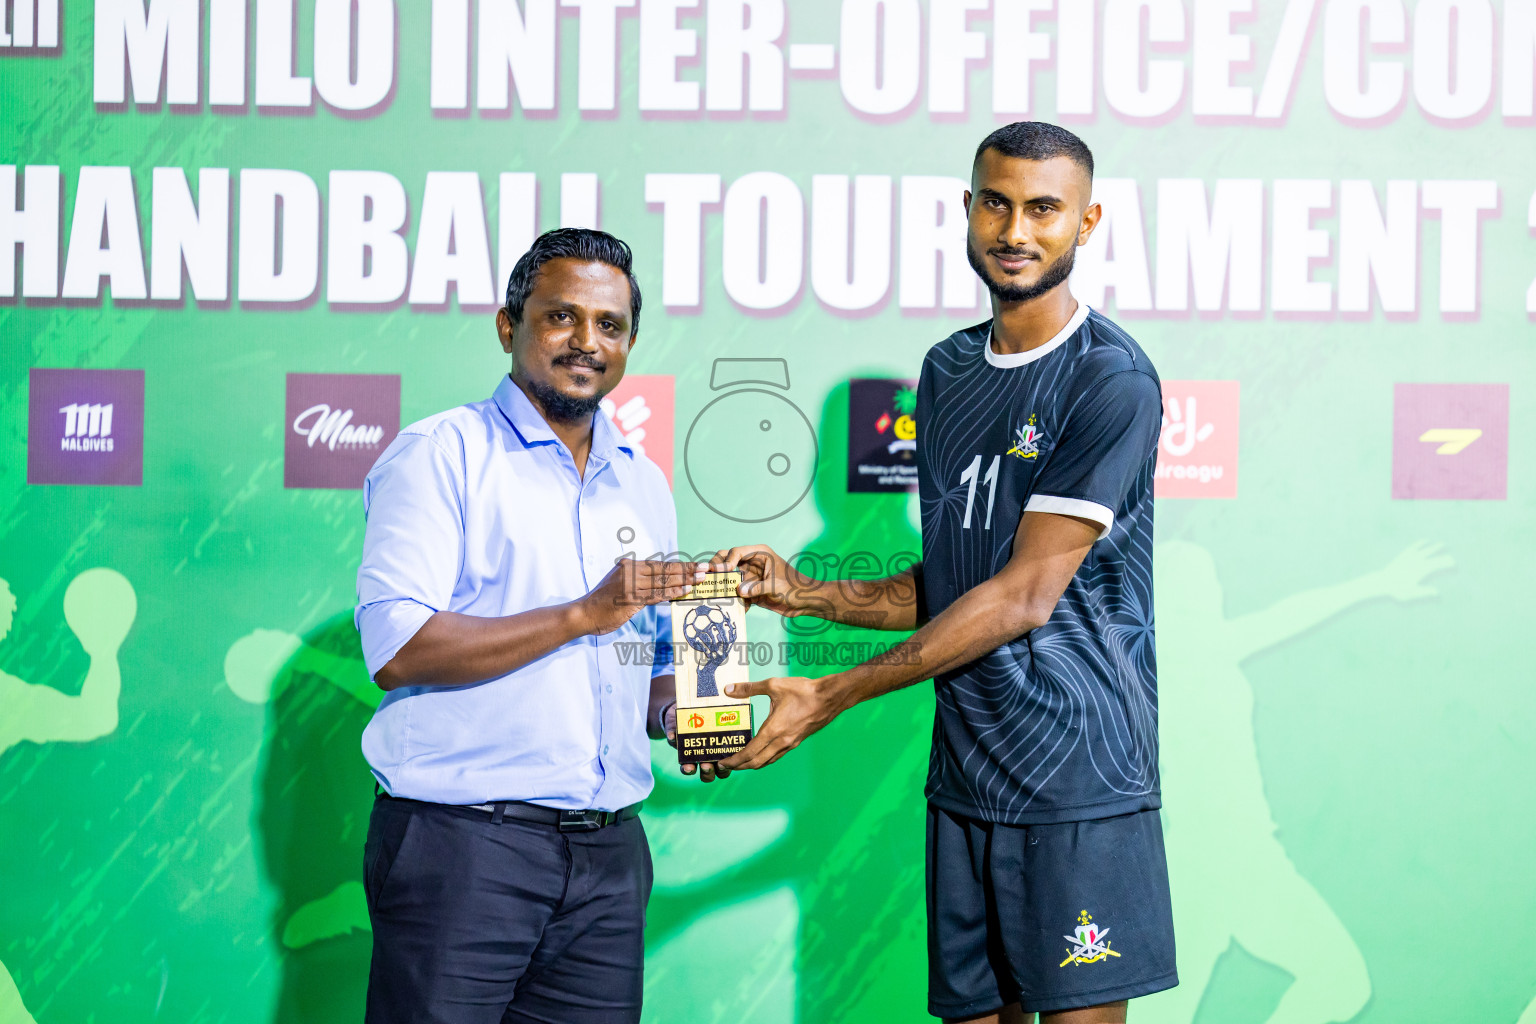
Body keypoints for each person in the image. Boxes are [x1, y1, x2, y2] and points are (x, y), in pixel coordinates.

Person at [710, 123, 1177, 1023]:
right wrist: (801, 593)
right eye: (997, 203)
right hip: (966, 774)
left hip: (1077, 775)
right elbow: (961, 582)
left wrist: (832, 692)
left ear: (1087, 223)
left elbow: (1023, 596)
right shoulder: (950, 369)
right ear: (968, 210)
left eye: (1045, 209)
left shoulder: (1111, 380)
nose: (1016, 229)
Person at [354, 227, 705, 1024]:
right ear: (510, 326)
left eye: (609, 325)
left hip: (609, 858)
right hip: (464, 849)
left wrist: (688, 718)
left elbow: (643, 666)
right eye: (562, 318)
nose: (587, 343)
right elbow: (399, 648)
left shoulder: (642, 483)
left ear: (629, 343)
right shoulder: (441, 454)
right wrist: (584, 612)